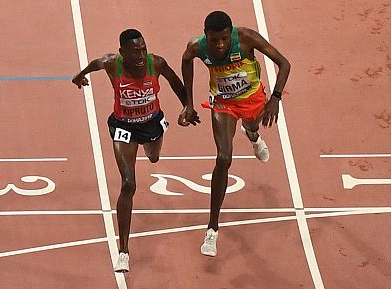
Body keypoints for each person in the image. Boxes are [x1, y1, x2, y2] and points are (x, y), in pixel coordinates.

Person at [74, 29, 196, 272]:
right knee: (128, 183)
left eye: (143, 49)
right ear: (122, 53)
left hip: (151, 123)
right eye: (134, 51)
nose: (140, 55)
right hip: (124, 127)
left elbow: (175, 83)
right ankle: (123, 251)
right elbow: (95, 64)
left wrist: (188, 106)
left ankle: (151, 150)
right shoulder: (112, 64)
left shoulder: (156, 63)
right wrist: (80, 76)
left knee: (153, 158)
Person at [178, 11, 291, 257]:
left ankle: (252, 135)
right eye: (214, 39)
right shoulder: (197, 46)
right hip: (223, 104)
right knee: (223, 158)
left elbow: (284, 63)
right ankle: (212, 228)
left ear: (231, 34)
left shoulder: (247, 38)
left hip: (252, 99)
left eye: (224, 39)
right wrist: (188, 103)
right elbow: (186, 61)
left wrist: (276, 97)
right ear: (206, 34)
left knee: (252, 126)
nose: (219, 44)